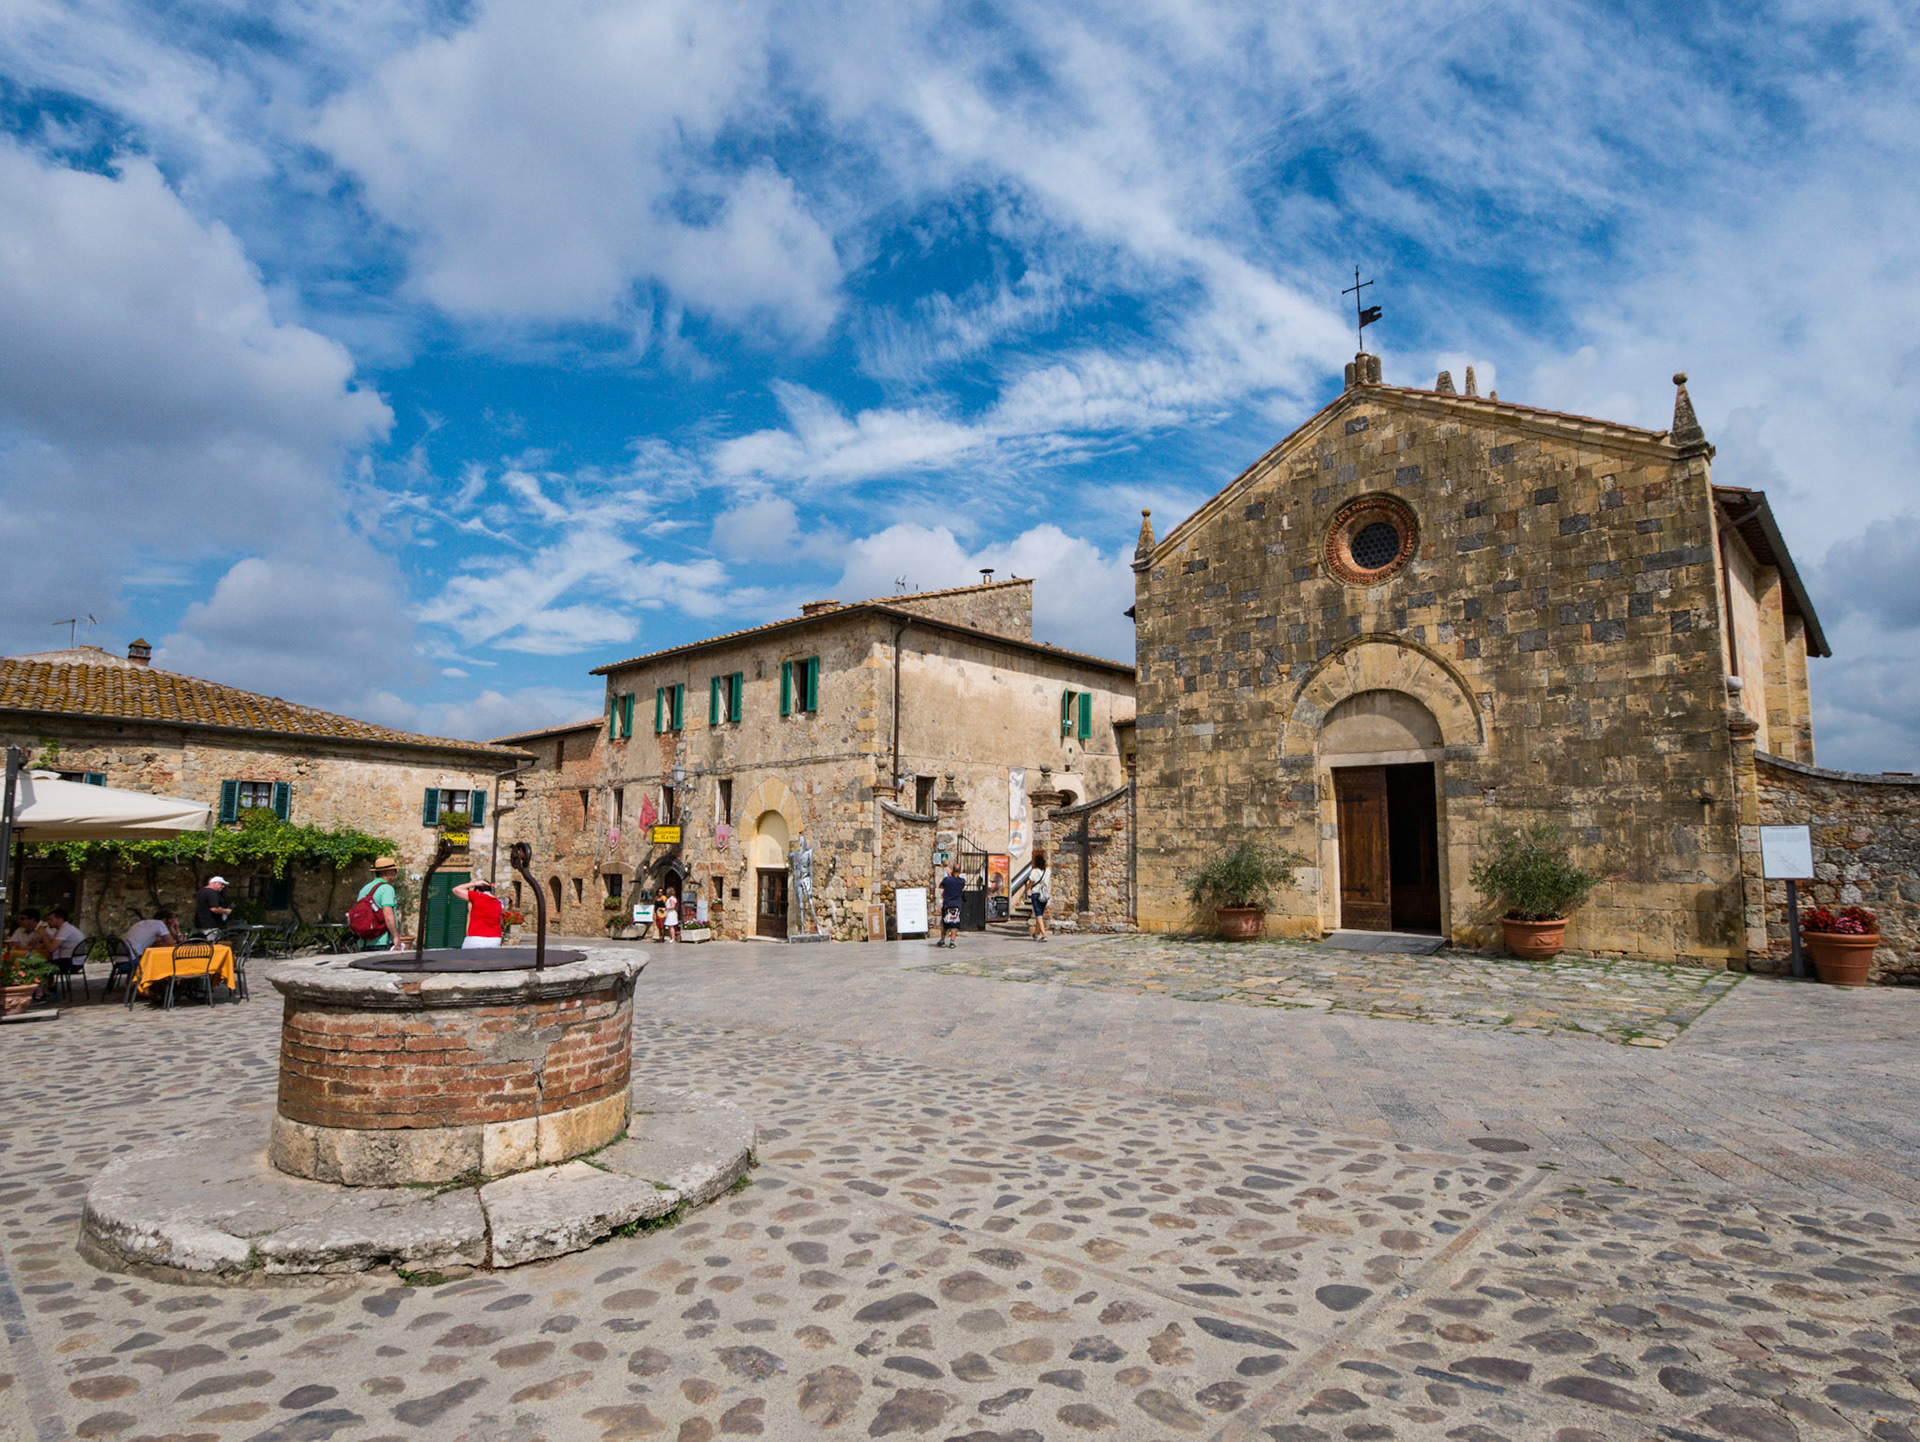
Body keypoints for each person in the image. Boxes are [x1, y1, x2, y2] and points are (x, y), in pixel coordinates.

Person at [353, 857, 404, 950]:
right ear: (387, 873)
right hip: (382, 941)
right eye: (394, 870)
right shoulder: (387, 889)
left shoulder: (364, 889)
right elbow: (388, 914)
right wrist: (396, 936)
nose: (395, 873)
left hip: (364, 942)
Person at [451, 880, 503, 949]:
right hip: (495, 939)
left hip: (476, 937)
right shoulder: (498, 903)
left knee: (466, 956)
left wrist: (474, 883)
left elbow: (456, 890)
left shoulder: (477, 896)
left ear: (477, 890)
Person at [938, 861, 966, 948]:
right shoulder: (962, 881)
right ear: (960, 871)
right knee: (955, 922)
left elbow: (940, 886)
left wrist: (950, 875)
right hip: (957, 904)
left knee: (944, 922)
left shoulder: (947, 880)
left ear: (953, 870)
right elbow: (958, 882)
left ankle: (942, 941)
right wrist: (951, 875)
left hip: (947, 904)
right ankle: (952, 942)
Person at [1028, 850, 1051, 942]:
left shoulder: (1034, 871)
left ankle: (1044, 935)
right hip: (1044, 895)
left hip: (1036, 894)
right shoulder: (1048, 871)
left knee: (1038, 915)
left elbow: (1030, 883)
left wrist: (1025, 891)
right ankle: (1036, 934)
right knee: (1040, 914)